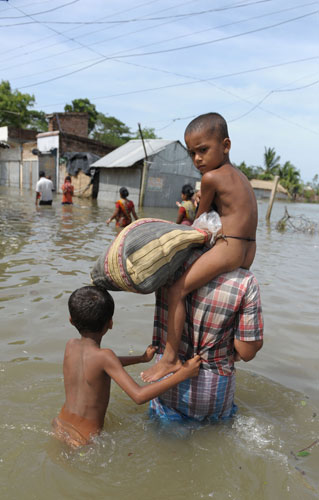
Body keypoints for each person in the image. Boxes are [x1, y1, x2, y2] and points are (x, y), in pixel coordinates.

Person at [141, 112, 258, 382]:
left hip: (229, 248)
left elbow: (199, 222)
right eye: (192, 153)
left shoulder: (211, 179)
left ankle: (170, 358)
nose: (197, 159)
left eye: (203, 150)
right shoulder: (241, 177)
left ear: (225, 145)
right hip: (247, 250)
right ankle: (231, 349)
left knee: (176, 290)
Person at [52, 286, 201, 448]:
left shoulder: (71, 346)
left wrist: (141, 358)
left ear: (71, 320)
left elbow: (98, 366)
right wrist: (183, 374)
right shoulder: (105, 357)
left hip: (59, 426)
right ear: (110, 323)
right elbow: (139, 396)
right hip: (85, 441)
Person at [148, 248, 263, 422]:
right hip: (212, 387)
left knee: (163, 431)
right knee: (213, 436)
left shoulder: (171, 262)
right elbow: (247, 351)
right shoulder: (244, 280)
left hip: (165, 377)